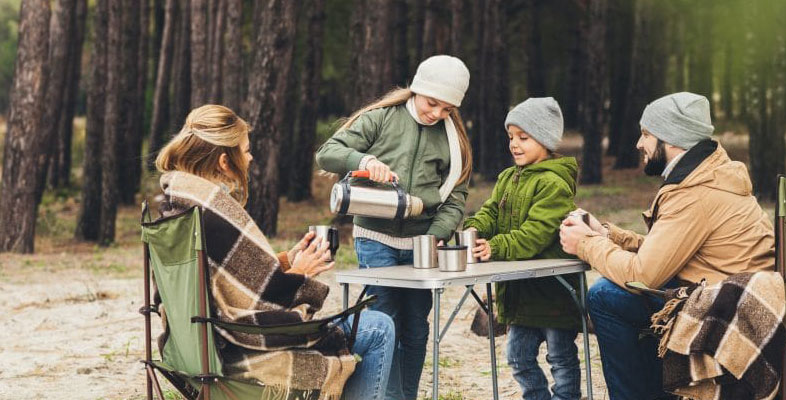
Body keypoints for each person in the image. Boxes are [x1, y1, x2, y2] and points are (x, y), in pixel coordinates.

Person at [154, 104, 394, 400]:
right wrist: (300, 273)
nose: (251, 157)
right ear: (224, 162)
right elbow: (262, 302)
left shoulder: (178, 205)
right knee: (379, 327)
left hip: (197, 347)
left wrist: (284, 260)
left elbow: (222, 280)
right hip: (241, 348)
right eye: (245, 150)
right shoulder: (214, 214)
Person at [559, 92, 776, 400]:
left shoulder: (694, 193)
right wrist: (607, 235)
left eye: (647, 134)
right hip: (735, 294)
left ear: (672, 140)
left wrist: (586, 244)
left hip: (725, 312)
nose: (638, 144)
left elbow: (644, 275)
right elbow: (673, 249)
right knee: (621, 292)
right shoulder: (711, 174)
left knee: (605, 296)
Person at [315, 55, 472, 399]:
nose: (437, 114)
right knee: (385, 324)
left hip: (423, 243)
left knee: (416, 329)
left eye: (447, 109)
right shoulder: (381, 119)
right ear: (417, 90)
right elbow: (328, 153)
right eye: (432, 103)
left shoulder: (453, 139)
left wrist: (434, 238)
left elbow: (456, 197)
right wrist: (365, 161)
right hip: (375, 240)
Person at [465, 97, 582, 400]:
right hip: (520, 294)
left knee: (560, 358)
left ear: (544, 139)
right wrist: (474, 229)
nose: (514, 144)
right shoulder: (507, 177)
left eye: (523, 137)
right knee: (517, 356)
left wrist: (497, 246)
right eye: (510, 137)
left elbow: (535, 234)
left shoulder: (554, 184)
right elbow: (491, 211)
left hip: (553, 293)